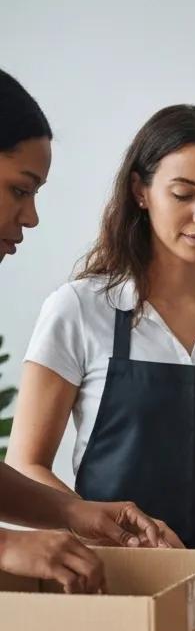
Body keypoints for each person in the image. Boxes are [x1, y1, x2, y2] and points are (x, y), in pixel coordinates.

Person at [8, 104, 195, 575]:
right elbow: (25, 464)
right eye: (184, 194)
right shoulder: (79, 309)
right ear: (141, 191)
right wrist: (105, 531)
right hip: (113, 576)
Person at [0, 68, 162, 593]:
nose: (31, 217)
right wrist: (6, 546)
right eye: (19, 190)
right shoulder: (75, 308)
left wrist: (74, 511)